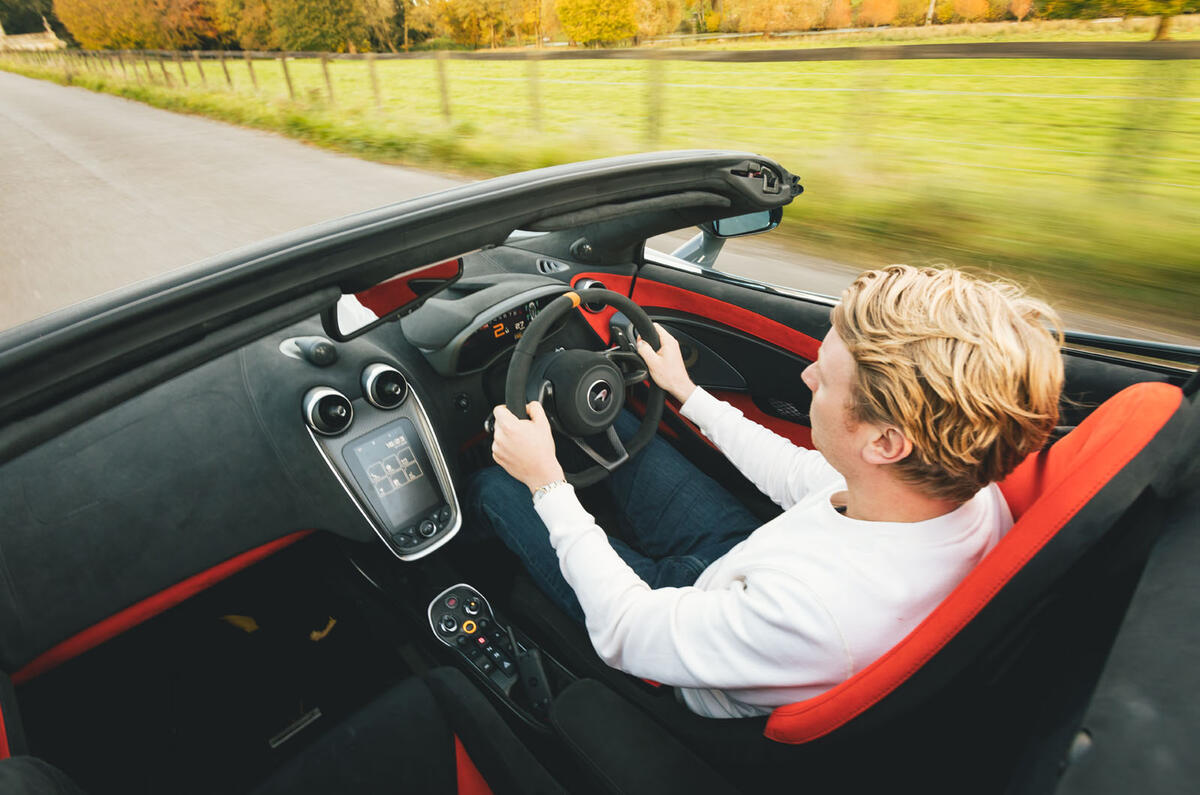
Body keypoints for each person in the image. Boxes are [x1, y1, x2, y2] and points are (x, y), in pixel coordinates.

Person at [467, 265, 1063, 719]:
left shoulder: (820, 619)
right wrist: (686, 391)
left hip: (694, 636)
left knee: (497, 482)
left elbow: (626, 627)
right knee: (616, 425)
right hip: (749, 563)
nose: (807, 376)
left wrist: (546, 483)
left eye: (825, 378)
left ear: (886, 442)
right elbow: (794, 472)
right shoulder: (954, 489)